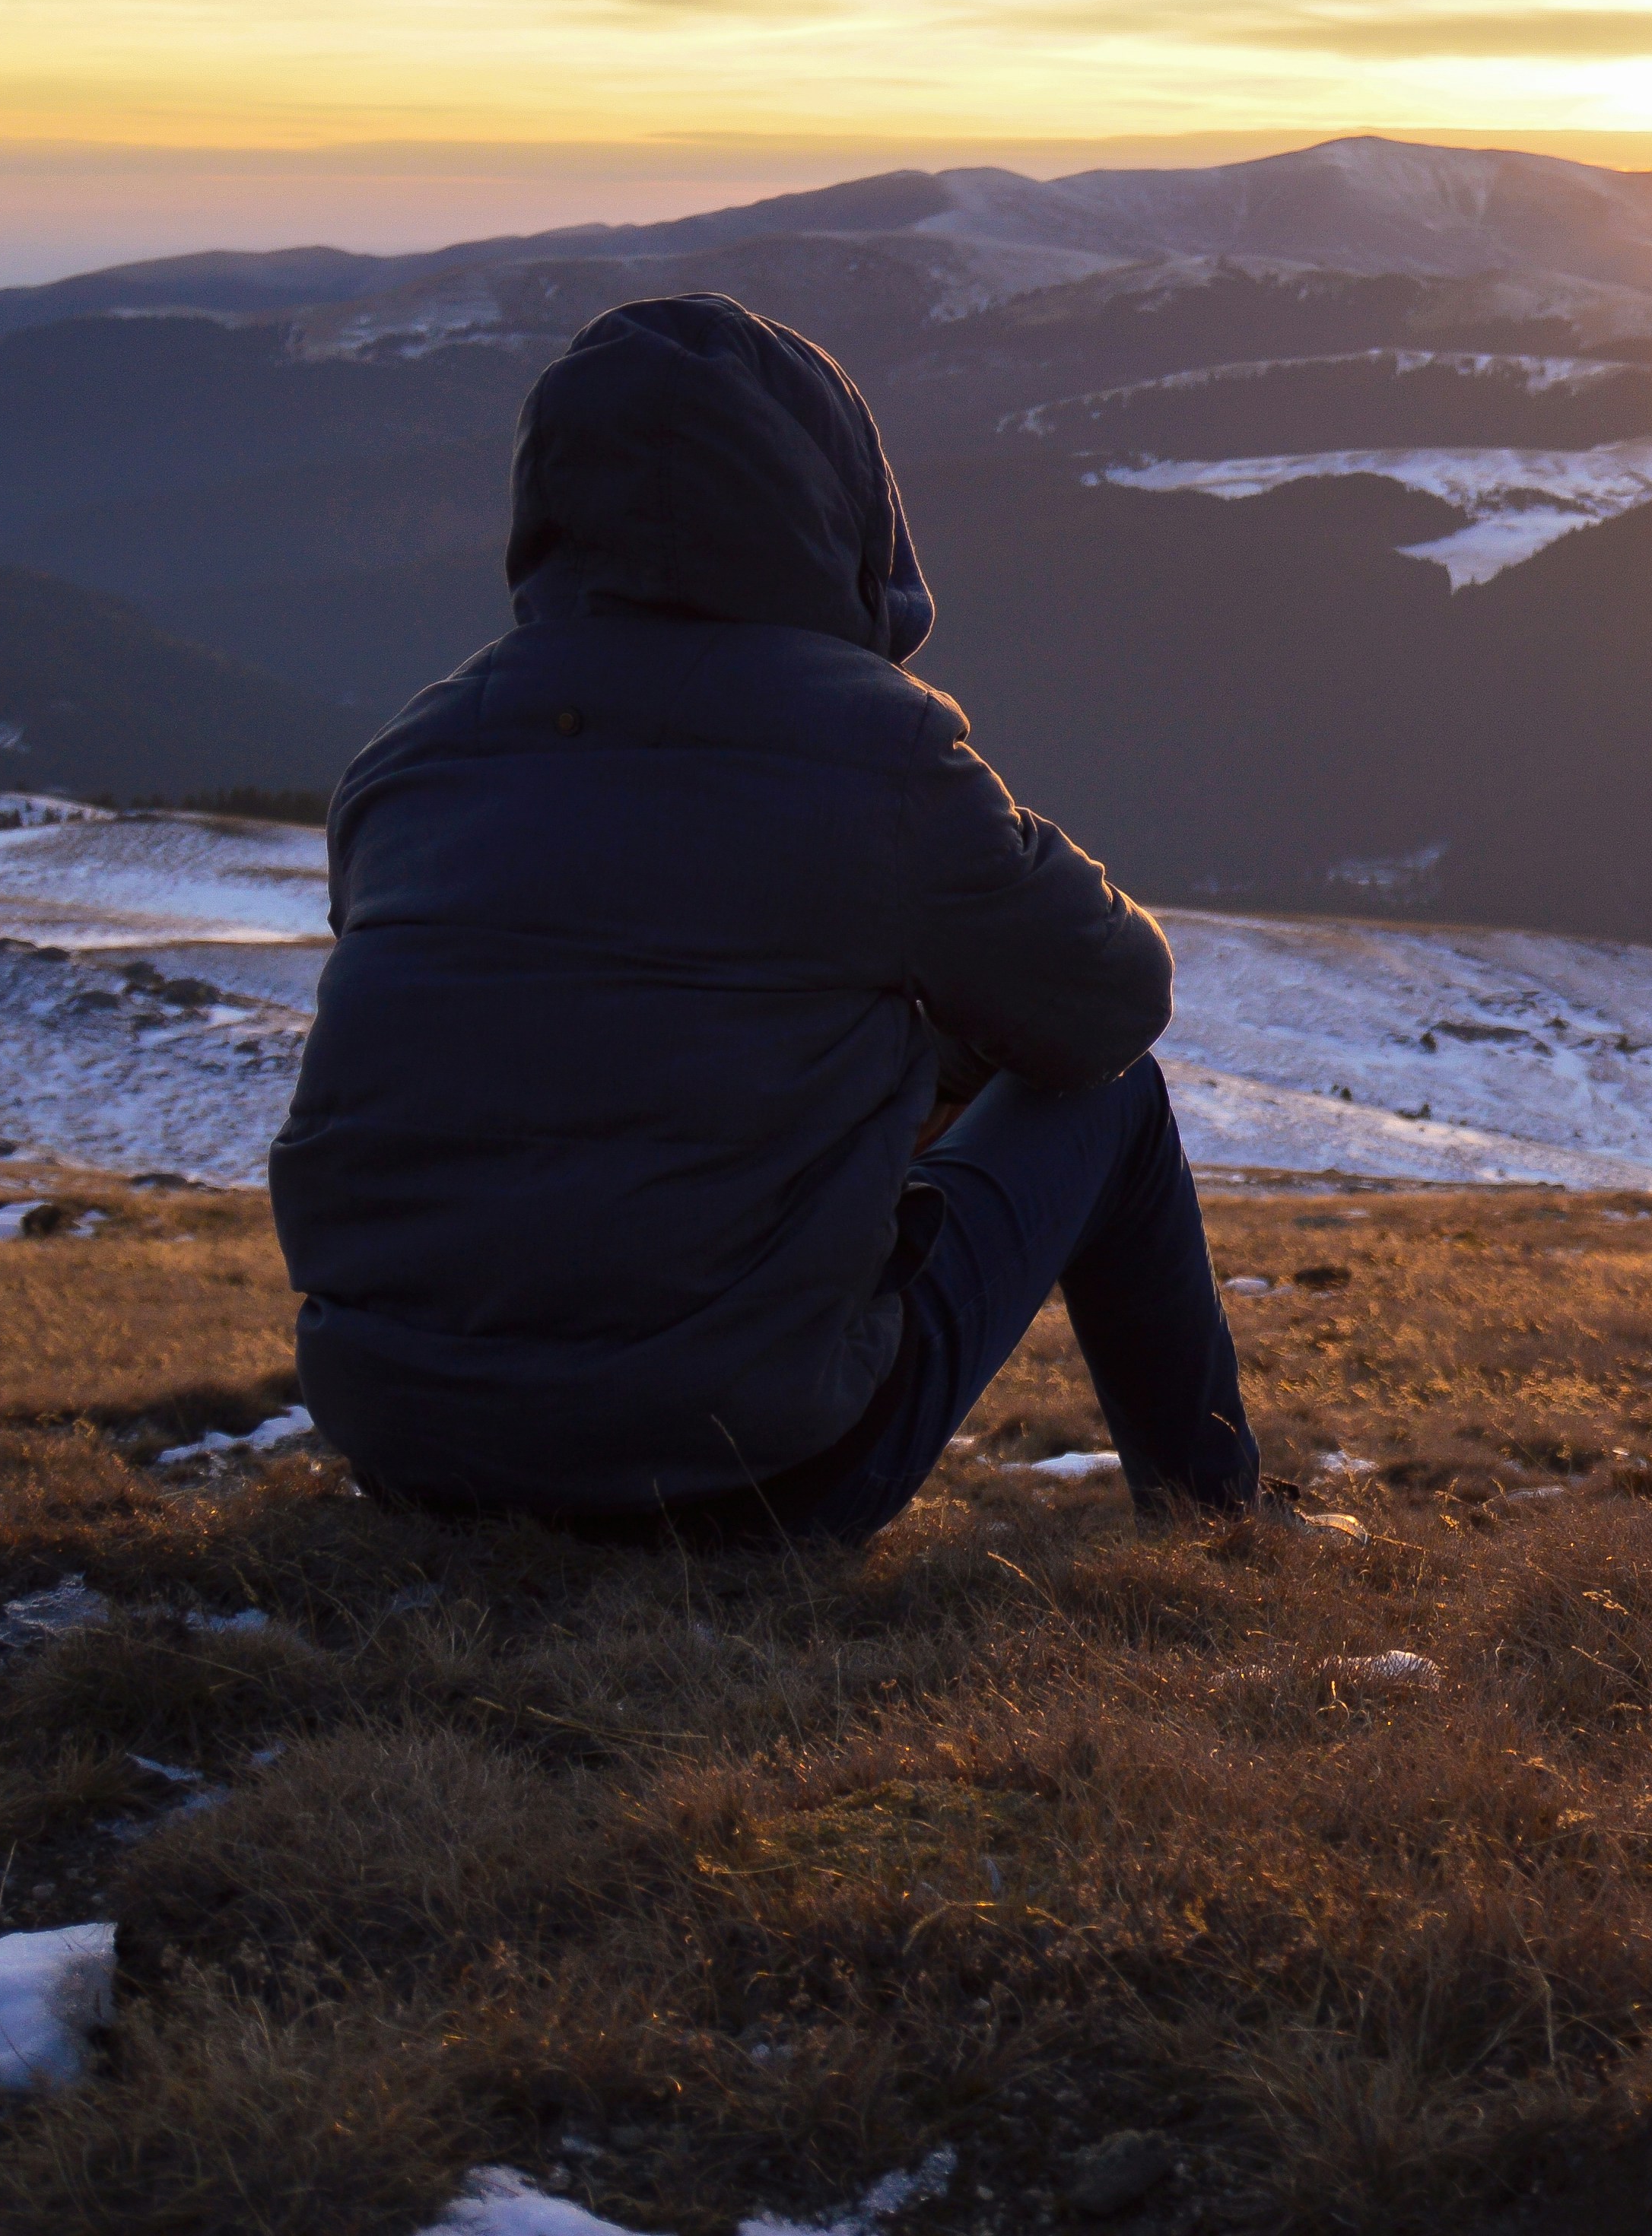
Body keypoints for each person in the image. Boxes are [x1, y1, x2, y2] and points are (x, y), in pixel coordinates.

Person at [269, 291, 1258, 1539]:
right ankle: (1217, 1519)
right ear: (841, 503)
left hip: (408, 1450)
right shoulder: (870, 753)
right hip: (745, 1478)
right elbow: (1110, 998)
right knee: (1109, 1095)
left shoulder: (407, 762)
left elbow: (553, 1039)